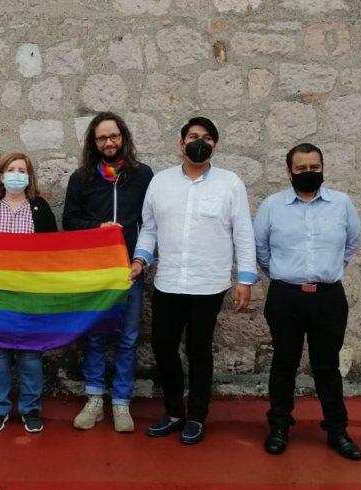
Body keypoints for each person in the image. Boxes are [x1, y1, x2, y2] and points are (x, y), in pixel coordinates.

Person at [133, 117, 258, 445]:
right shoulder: (160, 182)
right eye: (192, 136)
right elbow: (149, 228)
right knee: (163, 346)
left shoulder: (230, 183)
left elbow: (243, 232)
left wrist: (245, 278)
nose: (198, 142)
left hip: (209, 284)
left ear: (214, 145)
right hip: (169, 281)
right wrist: (140, 258)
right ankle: (174, 412)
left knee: (199, 350)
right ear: (181, 144)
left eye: (206, 137)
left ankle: (197, 416)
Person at [253, 143, 361, 460]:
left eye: (314, 167)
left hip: (328, 298)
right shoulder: (272, 206)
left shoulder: (341, 204)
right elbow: (260, 248)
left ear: (323, 168)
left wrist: (329, 271)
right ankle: (279, 427)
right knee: (283, 363)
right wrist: (282, 274)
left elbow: (352, 242)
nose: (308, 172)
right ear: (289, 172)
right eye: (301, 168)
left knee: (327, 366)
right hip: (285, 297)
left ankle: (337, 430)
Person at [64, 112, 153, 433]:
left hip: (130, 271)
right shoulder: (81, 178)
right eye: (102, 138)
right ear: (94, 142)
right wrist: (97, 228)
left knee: (128, 339)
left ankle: (121, 402)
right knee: (95, 336)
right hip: (94, 272)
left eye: (113, 136)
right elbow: (69, 222)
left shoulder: (142, 175)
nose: (109, 142)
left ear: (123, 137)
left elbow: (151, 223)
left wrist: (141, 260)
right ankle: (94, 400)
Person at [0, 153, 58, 433]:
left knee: (30, 353)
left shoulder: (40, 208)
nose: (16, 174)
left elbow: (53, 252)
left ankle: (30, 409)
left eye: (22, 170)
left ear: (29, 177)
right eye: (11, 169)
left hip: (30, 292)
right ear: (1, 175)